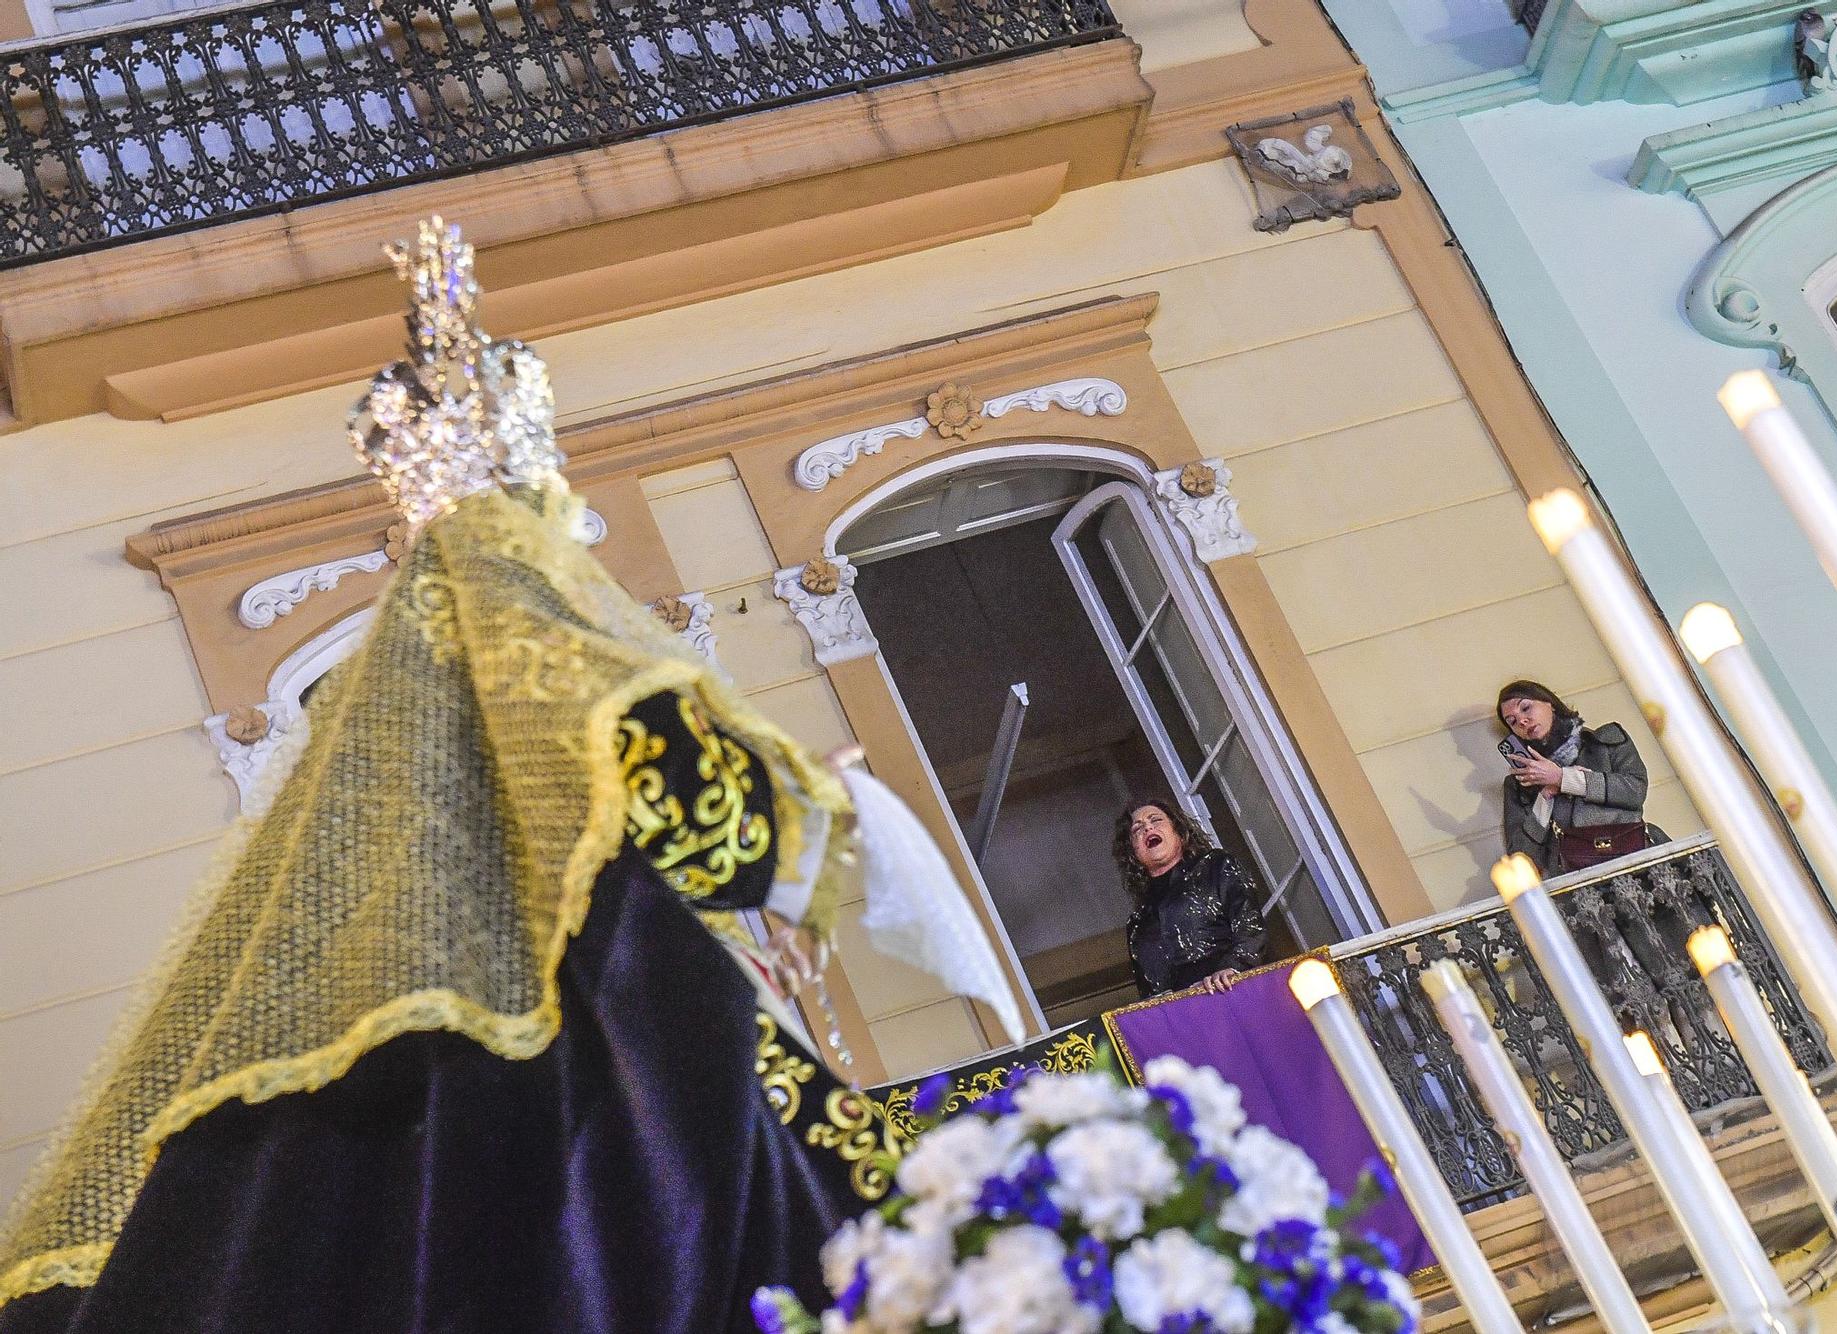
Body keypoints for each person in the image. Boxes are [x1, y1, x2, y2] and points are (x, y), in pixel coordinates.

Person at [0, 219, 1018, 1334]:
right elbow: (681, 794)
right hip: (601, 1074)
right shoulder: (520, 611)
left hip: (426, 1100)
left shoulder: (376, 725)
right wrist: (824, 804)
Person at [1496, 679, 1664, 878]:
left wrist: (1564, 778)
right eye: (1512, 722)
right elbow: (1521, 858)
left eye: (1526, 708)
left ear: (1549, 703)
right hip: (1579, 883)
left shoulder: (1605, 740)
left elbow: (1635, 790)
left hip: (1638, 862)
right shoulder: (1520, 784)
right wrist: (1545, 796)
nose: (1522, 721)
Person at [1118, 799, 1266, 999]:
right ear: (1133, 851)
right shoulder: (1138, 923)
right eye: (1137, 829)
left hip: (1232, 993)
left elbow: (1250, 924)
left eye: (1156, 820)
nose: (1148, 828)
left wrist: (1233, 968)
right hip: (1185, 1017)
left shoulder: (1215, 866)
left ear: (1179, 831)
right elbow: (1149, 993)